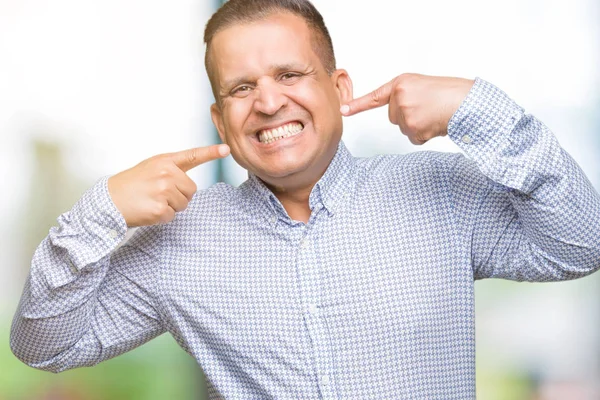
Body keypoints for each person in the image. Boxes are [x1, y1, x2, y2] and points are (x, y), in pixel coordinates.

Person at [10, 0, 600, 398]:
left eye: (289, 74)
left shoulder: (439, 192)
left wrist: (479, 109)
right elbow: (44, 345)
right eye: (242, 88)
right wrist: (101, 212)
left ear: (338, 88)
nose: (267, 103)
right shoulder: (177, 241)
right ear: (221, 119)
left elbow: (581, 243)